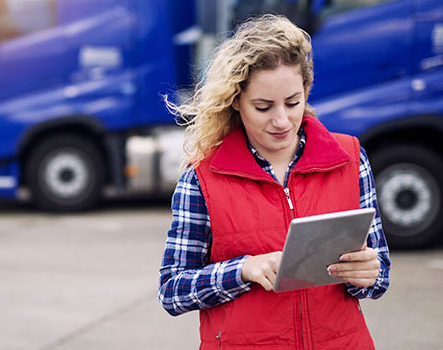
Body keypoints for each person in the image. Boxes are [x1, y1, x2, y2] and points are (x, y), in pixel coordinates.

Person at [159, 14, 390, 350]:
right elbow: (172, 291)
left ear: (306, 91)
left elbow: (379, 275)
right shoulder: (202, 179)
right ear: (236, 101)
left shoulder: (351, 159)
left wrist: (369, 274)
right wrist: (243, 269)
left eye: (293, 103)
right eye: (263, 107)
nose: (282, 120)